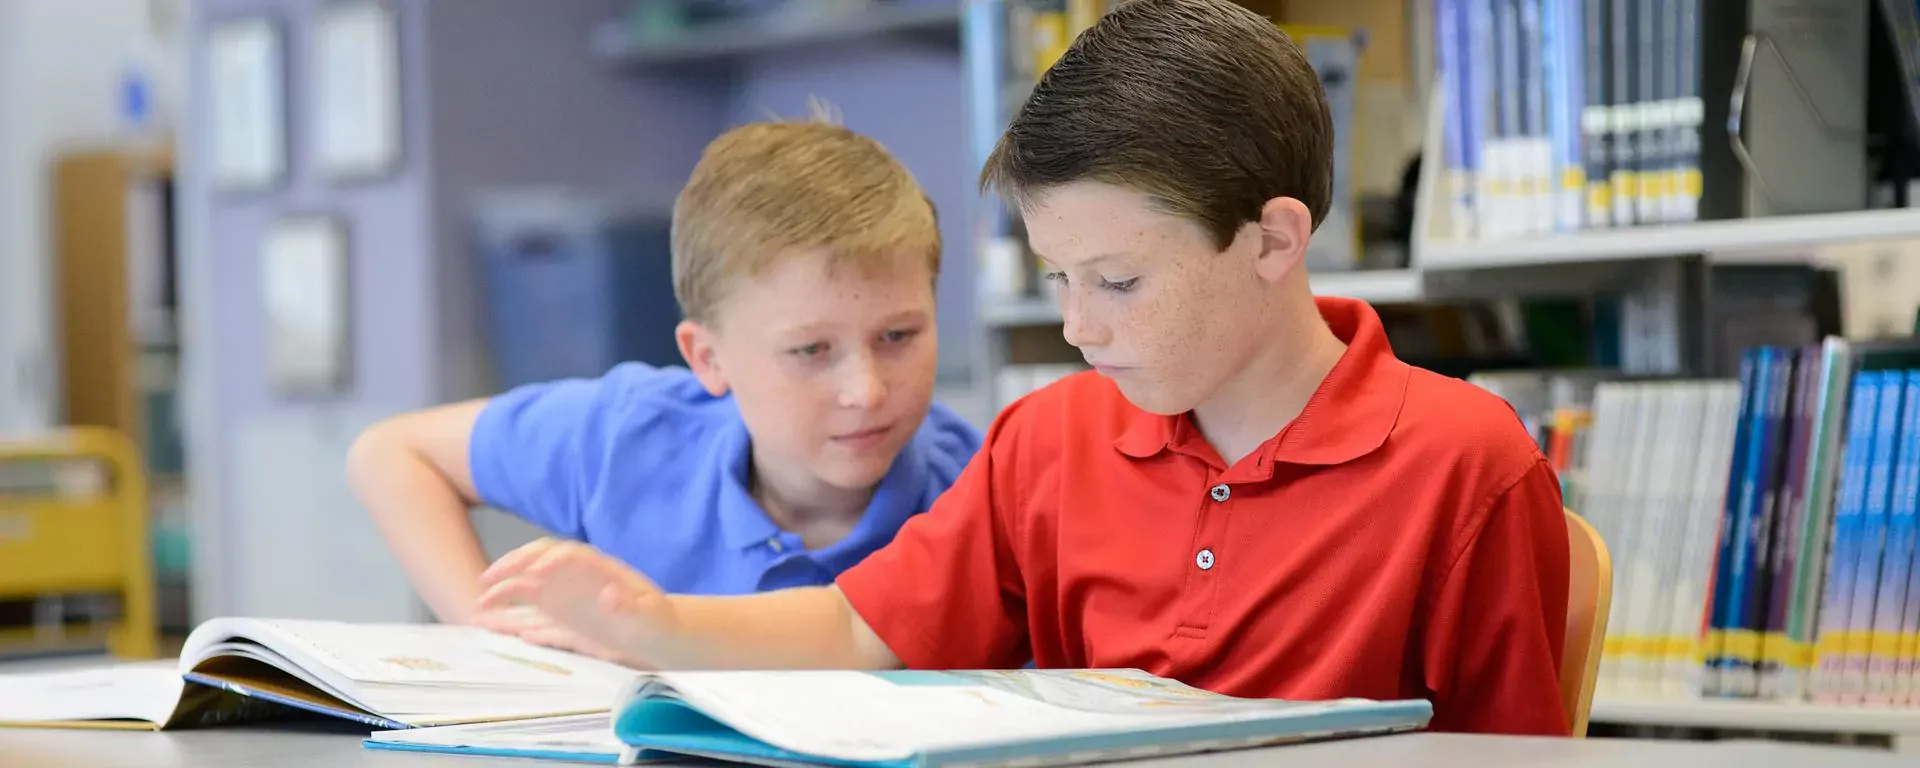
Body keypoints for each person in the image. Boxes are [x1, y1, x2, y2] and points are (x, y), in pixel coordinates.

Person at [473, 0, 1572, 735]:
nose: (1079, 328)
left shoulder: (1464, 464)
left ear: (1274, 241)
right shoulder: (1049, 440)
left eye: (1119, 281)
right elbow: (859, 628)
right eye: (1056, 279)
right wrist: (652, 623)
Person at [346, 118, 982, 658]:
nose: (866, 390)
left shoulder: (981, 495)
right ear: (707, 358)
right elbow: (392, 453)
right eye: (811, 350)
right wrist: (491, 634)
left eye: (898, 335)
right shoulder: (629, 435)